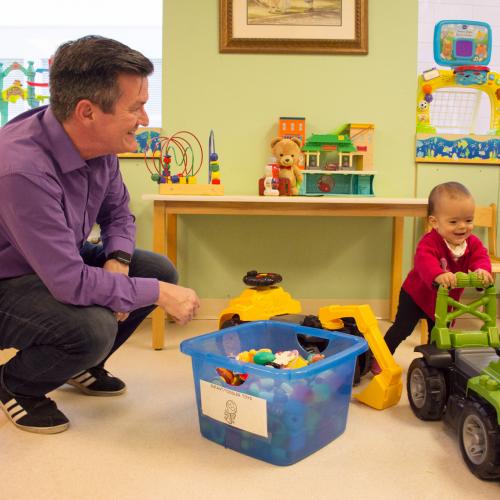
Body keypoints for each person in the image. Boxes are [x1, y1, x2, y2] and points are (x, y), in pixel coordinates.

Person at [0, 36, 200, 434]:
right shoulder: (21, 168)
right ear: (87, 112)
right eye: (136, 107)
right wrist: (156, 294)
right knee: (93, 326)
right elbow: (70, 282)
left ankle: (80, 364)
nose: (144, 119)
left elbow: (119, 215)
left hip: (52, 263)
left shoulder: (99, 146)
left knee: (155, 268)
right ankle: (17, 384)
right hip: (8, 280)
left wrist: (119, 261)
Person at [373, 182, 493, 374]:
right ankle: (380, 356)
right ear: (434, 222)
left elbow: (480, 256)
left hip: (445, 301)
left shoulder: (472, 243)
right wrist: (439, 274)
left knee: (439, 334)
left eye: (468, 220)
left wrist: (482, 271)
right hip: (416, 295)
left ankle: (432, 367)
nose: (462, 227)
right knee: (402, 329)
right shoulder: (430, 242)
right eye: (453, 222)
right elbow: (424, 261)